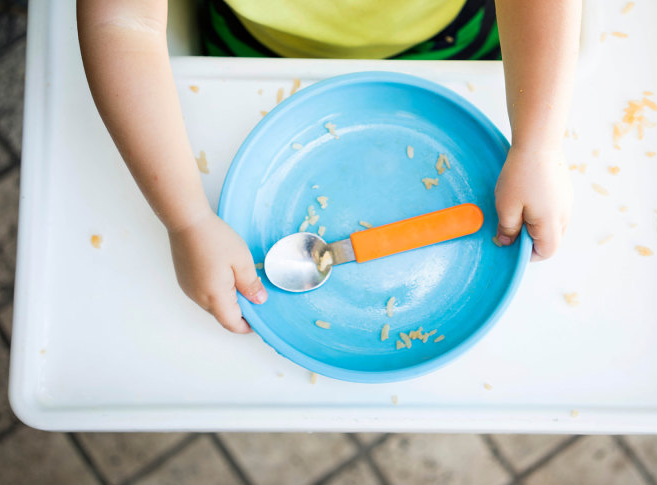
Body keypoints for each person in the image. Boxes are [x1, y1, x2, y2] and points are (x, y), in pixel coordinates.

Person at [76, 0, 580, 333]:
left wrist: (538, 144)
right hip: (258, 50)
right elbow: (122, 22)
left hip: (455, 38)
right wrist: (186, 218)